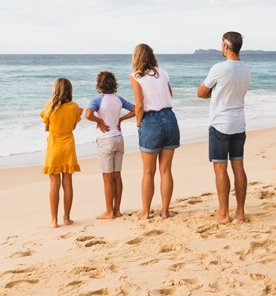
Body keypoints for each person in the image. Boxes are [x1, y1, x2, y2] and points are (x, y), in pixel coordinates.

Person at [197, 31, 251, 224]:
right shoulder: (246, 68)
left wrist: (213, 94)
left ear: (226, 46)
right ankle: (241, 212)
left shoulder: (219, 68)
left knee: (220, 169)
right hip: (239, 122)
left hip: (220, 123)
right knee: (238, 167)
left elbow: (201, 92)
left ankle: (223, 214)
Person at [129, 44, 180, 220]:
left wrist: (138, 123)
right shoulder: (163, 72)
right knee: (166, 170)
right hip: (170, 118)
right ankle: (165, 212)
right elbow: (169, 94)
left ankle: (145, 213)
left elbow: (140, 104)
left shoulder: (135, 76)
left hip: (151, 121)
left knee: (148, 172)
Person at [85, 71, 136, 219]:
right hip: (119, 139)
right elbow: (135, 109)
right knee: (117, 176)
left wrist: (99, 121)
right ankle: (117, 210)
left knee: (107, 178)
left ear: (99, 84)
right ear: (114, 83)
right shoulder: (119, 99)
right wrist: (120, 120)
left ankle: (109, 212)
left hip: (105, 140)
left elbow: (88, 114)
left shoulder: (97, 100)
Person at [40, 78, 83, 228]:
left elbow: (46, 127)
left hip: (54, 146)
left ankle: (53, 220)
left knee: (54, 184)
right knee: (68, 183)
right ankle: (66, 218)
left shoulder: (49, 107)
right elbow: (73, 126)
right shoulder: (74, 108)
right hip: (68, 146)